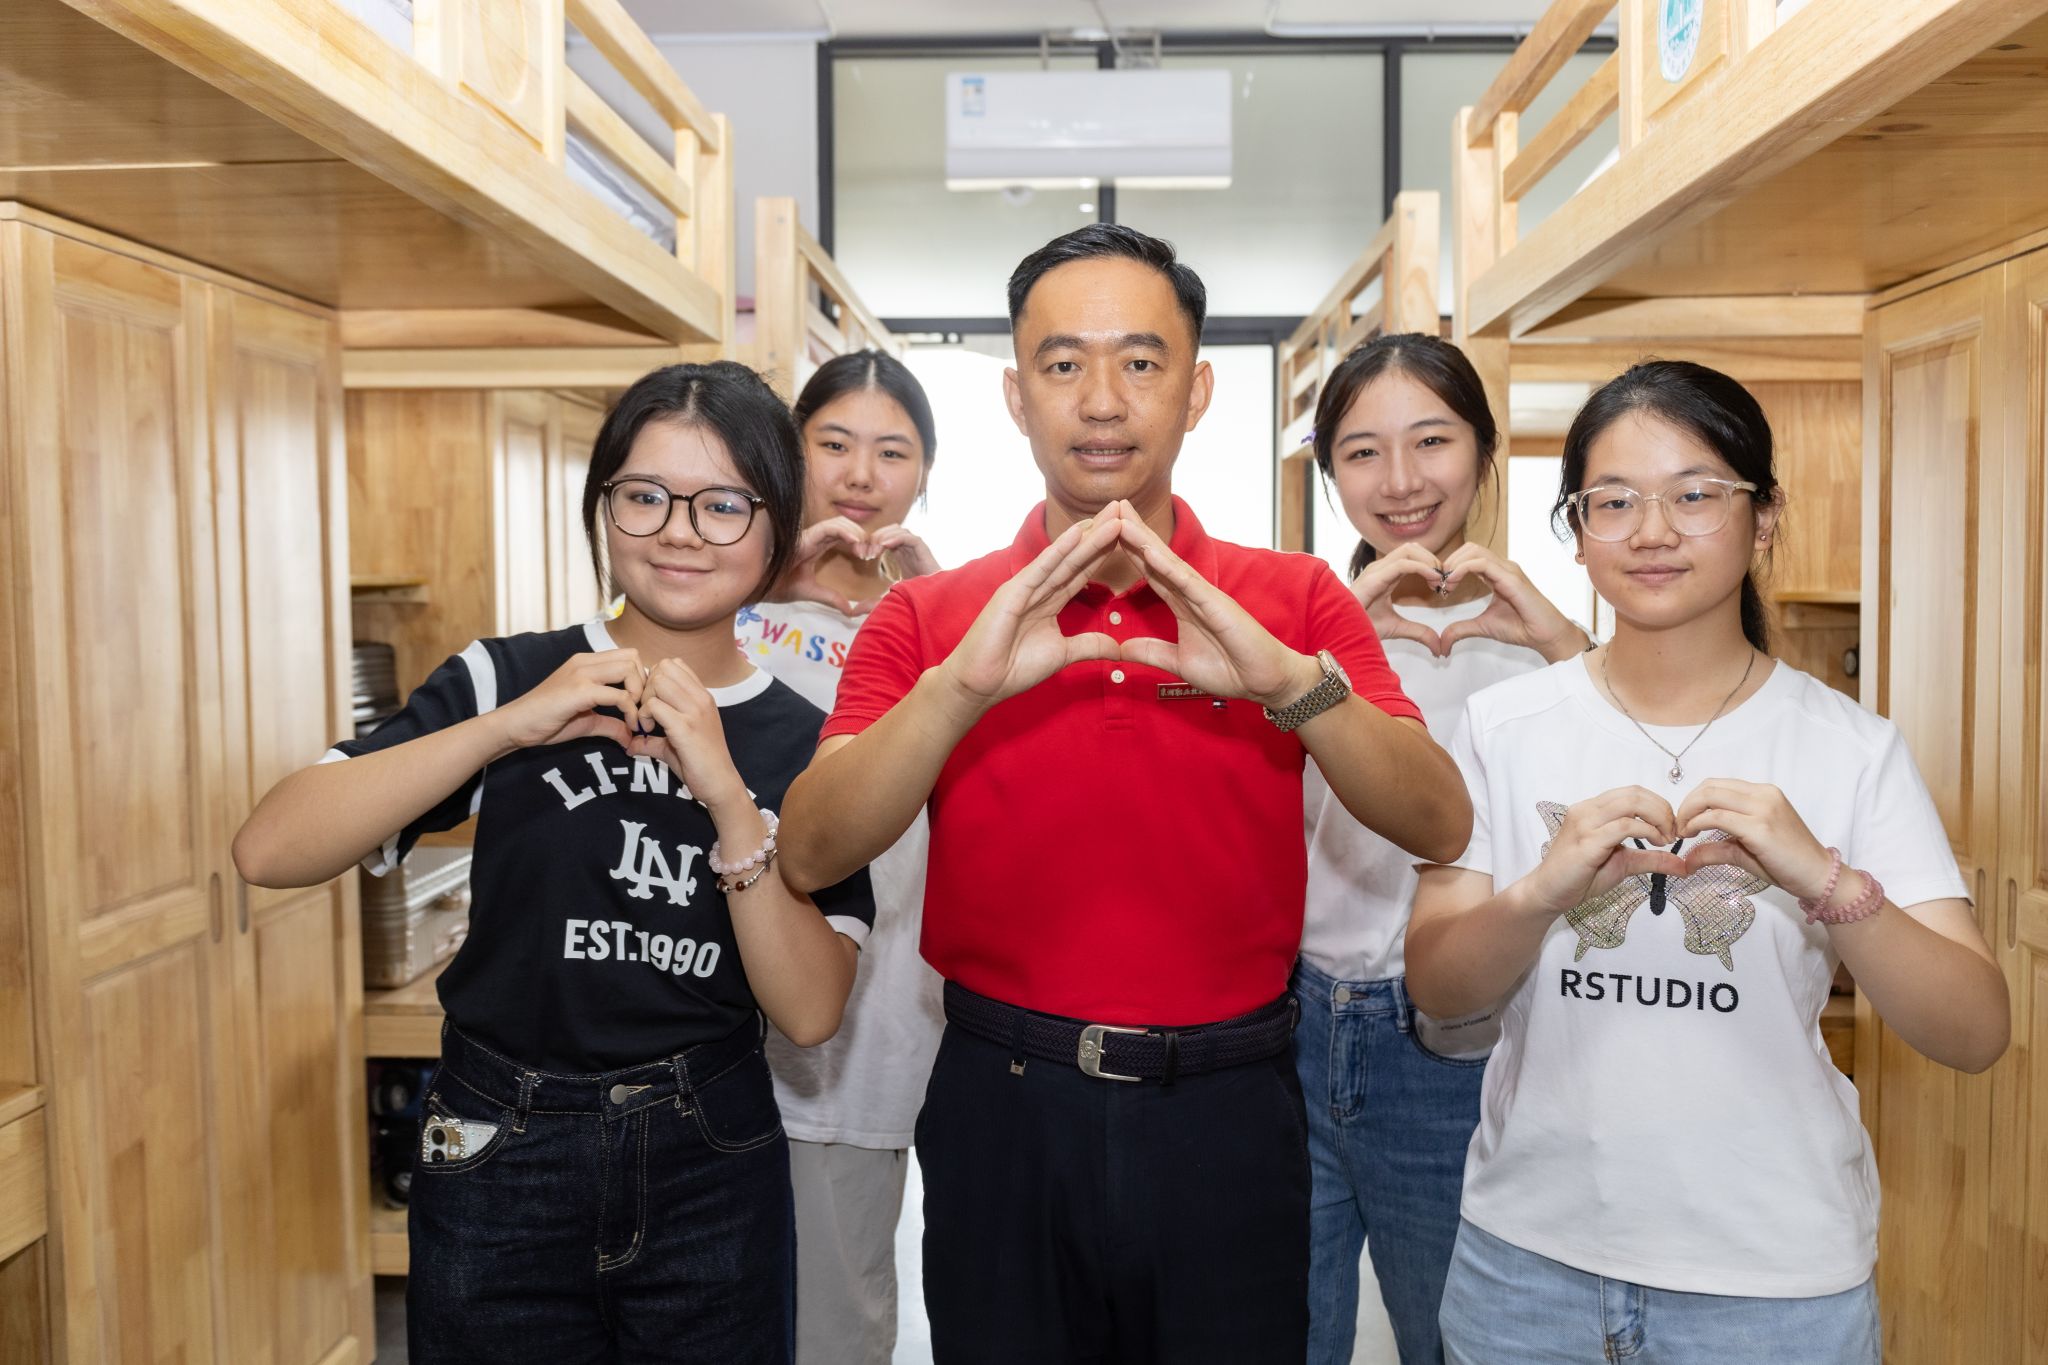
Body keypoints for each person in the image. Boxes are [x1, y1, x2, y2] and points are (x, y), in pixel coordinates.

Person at [777, 223, 1472, 1365]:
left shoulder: (1291, 599)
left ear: (1196, 390)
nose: (1101, 400)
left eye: (1141, 362)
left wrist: (1289, 687)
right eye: (1063, 364)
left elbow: (1438, 819)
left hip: (1230, 1108)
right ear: (1016, 395)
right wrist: (958, 692)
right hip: (1001, 1104)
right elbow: (809, 851)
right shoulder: (929, 614)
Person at [232, 362, 877, 1365]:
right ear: (602, 505)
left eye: (722, 505)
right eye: (644, 495)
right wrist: (507, 727)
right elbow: (268, 848)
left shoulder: (810, 739)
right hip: (499, 1146)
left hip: (709, 1155)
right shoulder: (509, 677)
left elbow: (810, 1010)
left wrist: (725, 797)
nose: (678, 531)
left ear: (776, 525)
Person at [1406, 360, 2009, 1363]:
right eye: (1613, 501)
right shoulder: (1501, 726)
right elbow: (1437, 991)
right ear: (1575, 530)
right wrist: (1542, 893)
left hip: (1773, 1293)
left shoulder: (1850, 748)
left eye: (1694, 495)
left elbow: (1974, 1030)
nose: (1651, 531)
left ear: (1762, 519)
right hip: (1527, 1273)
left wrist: (1823, 881)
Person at [1294, 333, 1591, 1365]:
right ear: (1329, 472)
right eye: (1361, 452)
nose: (1401, 481)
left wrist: (1560, 645)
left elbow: (1640, 799)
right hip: (1286, 1027)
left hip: (1458, 1044)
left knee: (1450, 1338)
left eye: (1432, 441)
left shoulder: (1542, 641)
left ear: (1484, 453)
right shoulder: (1292, 630)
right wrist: (1325, 646)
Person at [738, 350, 946, 1365]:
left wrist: (943, 610)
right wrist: (762, 581)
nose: (862, 475)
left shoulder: (948, 617)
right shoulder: (723, 598)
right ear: (791, 451)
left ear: (923, 474)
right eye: (834, 443)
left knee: (839, 1307)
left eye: (892, 451)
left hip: (881, 1002)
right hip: (721, 1002)